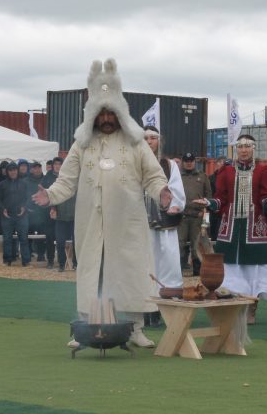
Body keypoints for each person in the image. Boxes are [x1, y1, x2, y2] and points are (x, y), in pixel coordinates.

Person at [32, 59, 171, 348]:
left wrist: (163, 193)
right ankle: (84, 329)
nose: (106, 119)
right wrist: (50, 195)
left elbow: (153, 177)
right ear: (92, 115)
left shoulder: (136, 143)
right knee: (91, 272)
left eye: (111, 113)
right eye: (101, 114)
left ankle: (135, 330)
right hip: (91, 221)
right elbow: (66, 180)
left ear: (119, 113)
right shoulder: (81, 144)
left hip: (127, 221)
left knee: (131, 271)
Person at [199, 134, 267, 324]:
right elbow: (221, 199)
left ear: (254, 149)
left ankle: (251, 308)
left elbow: (266, 195)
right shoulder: (226, 172)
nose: (243, 150)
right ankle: (233, 307)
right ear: (236, 149)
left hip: (254, 227)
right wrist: (209, 202)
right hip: (231, 228)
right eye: (240, 146)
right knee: (231, 268)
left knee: (254, 269)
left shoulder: (263, 170)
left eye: (247, 146)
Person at [143, 126, 185, 327]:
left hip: (164, 222)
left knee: (167, 261)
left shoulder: (169, 165)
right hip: (141, 223)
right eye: (146, 138)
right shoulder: (133, 162)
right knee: (144, 264)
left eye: (153, 138)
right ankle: (144, 309)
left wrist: (175, 205)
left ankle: (167, 307)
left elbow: (177, 189)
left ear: (159, 141)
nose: (149, 141)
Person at [177, 151, 211, 276]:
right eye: (186, 161)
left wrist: (205, 212)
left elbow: (208, 196)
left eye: (191, 161)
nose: (189, 163)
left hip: (198, 217)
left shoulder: (202, 176)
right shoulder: (178, 177)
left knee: (196, 243)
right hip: (181, 216)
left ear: (194, 162)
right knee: (179, 242)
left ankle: (197, 270)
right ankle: (178, 269)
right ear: (183, 162)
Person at [0, 162, 30, 266]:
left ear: (17, 170)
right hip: (7, 215)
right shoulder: (2, 184)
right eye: (10, 170)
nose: (13, 172)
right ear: (7, 172)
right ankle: (8, 260)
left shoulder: (24, 183)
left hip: (22, 215)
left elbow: (29, 198)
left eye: (14, 170)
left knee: (23, 238)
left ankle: (26, 261)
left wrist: (24, 207)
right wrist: (3, 209)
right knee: (7, 239)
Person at [49, 157, 76, 272]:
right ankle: (61, 264)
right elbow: (53, 197)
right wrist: (53, 208)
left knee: (77, 242)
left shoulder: (75, 180)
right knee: (60, 242)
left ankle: (76, 264)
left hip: (74, 218)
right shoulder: (57, 181)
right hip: (60, 218)